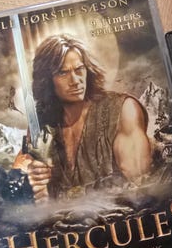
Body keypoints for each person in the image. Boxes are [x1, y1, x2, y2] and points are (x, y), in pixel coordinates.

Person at [25, 34, 152, 202]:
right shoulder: (41, 123)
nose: (75, 80)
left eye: (79, 69)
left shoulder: (124, 110)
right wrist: (34, 180)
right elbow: (33, 191)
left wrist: (69, 196)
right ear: (47, 79)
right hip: (62, 217)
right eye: (63, 72)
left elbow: (137, 183)